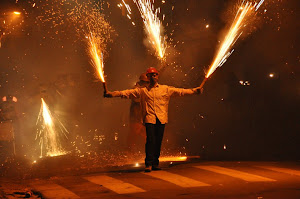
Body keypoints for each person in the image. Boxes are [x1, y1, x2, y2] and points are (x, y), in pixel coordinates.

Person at [104, 67, 203, 172]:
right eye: (150, 75)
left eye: (154, 75)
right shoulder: (142, 91)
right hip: (149, 118)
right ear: (147, 77)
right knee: (150, 140)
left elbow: (181, 92)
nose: (153, 77)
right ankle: (148, 163)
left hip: (161, 119)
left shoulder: (165, 89)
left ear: (158, 76)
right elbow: (126, 93)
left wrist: (194, 91)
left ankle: (155, 163)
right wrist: (111, 94)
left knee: (158, 141)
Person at [128, 73, 149, 153]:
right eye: (146, 82)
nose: (147, 84)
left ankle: (148, 151)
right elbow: (138, 100)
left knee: (146, 135)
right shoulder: (136, 90)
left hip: (143, 116)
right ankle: (129, 152)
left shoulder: (145, 89)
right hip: (136, 117)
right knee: (134, 135)